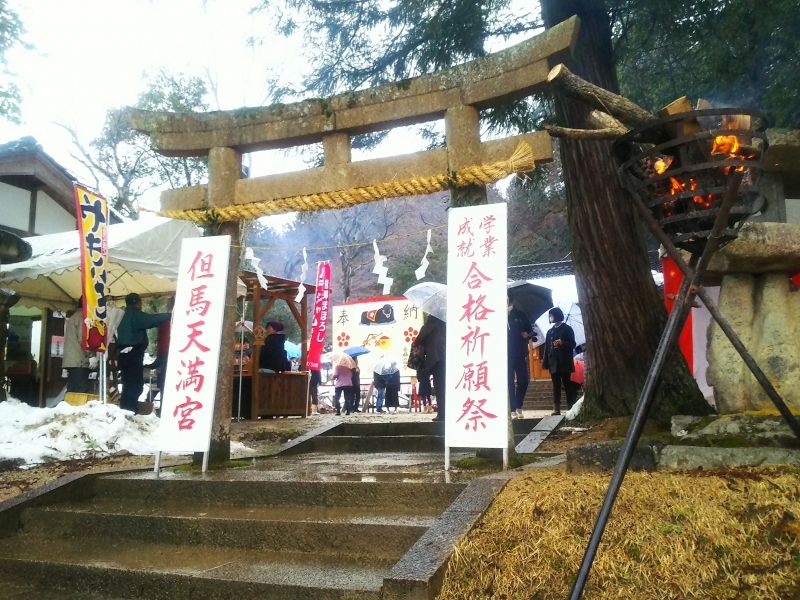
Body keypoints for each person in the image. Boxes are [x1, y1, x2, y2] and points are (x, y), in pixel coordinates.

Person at [117, 293, 171, 414]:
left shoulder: (123, 315)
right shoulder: (134, 314)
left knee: (127, 384)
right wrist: (168, 316)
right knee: (136, 385)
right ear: (137, 302)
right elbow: (150, 321)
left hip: (123, 355)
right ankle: (130, 410)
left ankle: (125, 409)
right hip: (133, 354)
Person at [541, 307, 577, 415]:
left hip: (564, 361)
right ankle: (556, 409)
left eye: (551, 315)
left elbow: (572, 344)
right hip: (553, 362)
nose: (550, 317)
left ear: (556, 315)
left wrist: (563, 343)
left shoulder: (567, 329)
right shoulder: (550, 332)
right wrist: (545, 362)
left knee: (567, 384)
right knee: (555, 386)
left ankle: (570, 407)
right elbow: (547, 348)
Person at [412, 315, 446, 421]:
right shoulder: (447, 319)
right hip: (446, 356)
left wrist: (416, 342)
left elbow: (422, 335)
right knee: (445, 387)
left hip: (437, 357)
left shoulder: (434, 318)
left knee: (440, 387)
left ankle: (442, 414)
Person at [62, 301, 96, 394]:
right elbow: (84, 338)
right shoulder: (83, 317)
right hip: (79, 361)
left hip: (72, 361)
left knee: (72, 392)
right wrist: (91, 355)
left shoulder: (74, 317)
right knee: (81, 391)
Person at [507, 299, 533, 420]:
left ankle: (518, 406)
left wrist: (527, 334)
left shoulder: (521, 315)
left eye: (510, 302)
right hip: (506, 355)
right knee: (509, 383)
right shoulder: (498, 316)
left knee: (524, 381)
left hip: (521, 353)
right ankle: (512, 410)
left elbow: (530, 330)